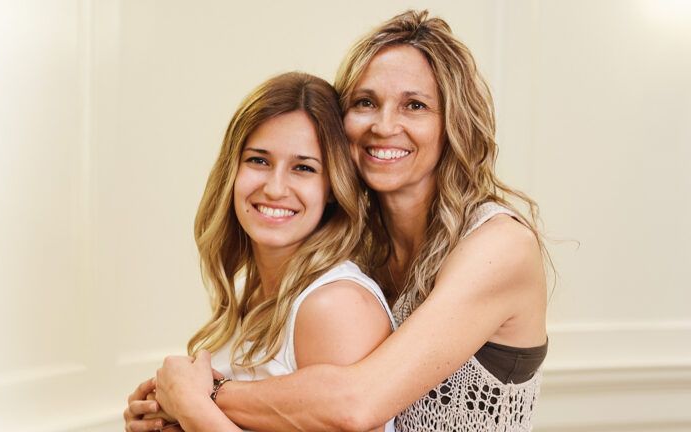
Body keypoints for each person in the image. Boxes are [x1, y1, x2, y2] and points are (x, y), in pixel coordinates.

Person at [126, 9, 549, 432]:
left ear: (453, 122)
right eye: (365, 103)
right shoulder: (354, 243)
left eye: (414, 105)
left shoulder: (499, 246)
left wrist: (198, 397)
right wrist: (170, 416)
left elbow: (355, 404)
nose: (384, 126)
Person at [123, 71, 396, 432]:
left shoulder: (335, 306)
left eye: (303, 168)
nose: (275, 187)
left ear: (332, 187)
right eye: (259, 160)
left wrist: (192, 408)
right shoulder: (254, 295)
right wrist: (161, 418)